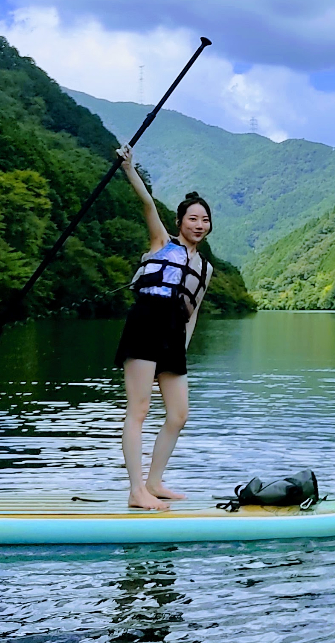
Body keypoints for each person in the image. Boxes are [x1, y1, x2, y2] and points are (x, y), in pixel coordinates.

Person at [115, 144, 214, 510]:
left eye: (204, 220)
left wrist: (183, 347)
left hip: (173, 332)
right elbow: (148, 205)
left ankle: (154, 482)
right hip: (146, 321)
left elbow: (194, 310)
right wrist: (129, 168)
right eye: (192, 219)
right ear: (180, 222)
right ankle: (136, 490)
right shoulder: (162, 244)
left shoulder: (205, 268)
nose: (198, 225)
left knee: (178, 414)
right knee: (138, 409)